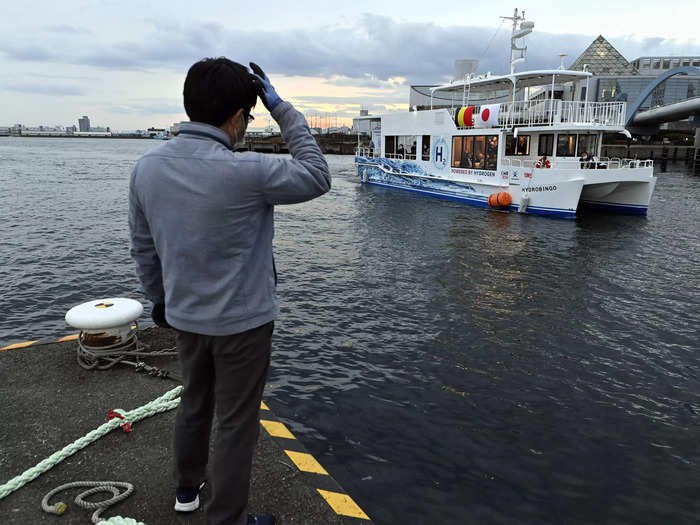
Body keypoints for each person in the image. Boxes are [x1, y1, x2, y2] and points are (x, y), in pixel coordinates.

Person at [129, 58, 330, 525]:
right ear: (238, 116)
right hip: (244, 325)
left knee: (194, 402)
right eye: (251, 116)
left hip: (183, 316)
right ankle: (228, 520)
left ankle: (186, 489)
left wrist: (160, 299)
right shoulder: (250, 171)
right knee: (237, 423)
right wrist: (281, 108)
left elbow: (143, 246)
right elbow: (318, 174)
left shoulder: (147, 168)